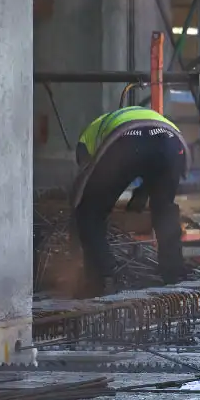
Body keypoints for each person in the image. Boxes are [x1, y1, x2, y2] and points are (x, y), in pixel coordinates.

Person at [71, 105, 188, 296]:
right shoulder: (109, 123)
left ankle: (102, 277)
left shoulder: (86, 142)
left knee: (89, 213)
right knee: (164, 208)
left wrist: (78, 209)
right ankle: (174, 272)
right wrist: (143, 192)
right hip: (172, 143)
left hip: (126, 142)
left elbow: (88, 183)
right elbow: (152, 156)